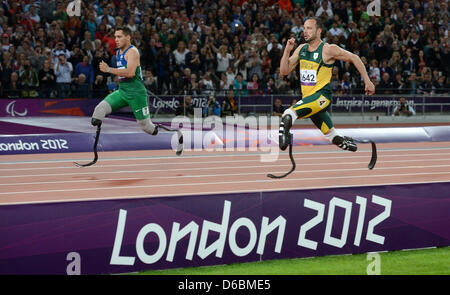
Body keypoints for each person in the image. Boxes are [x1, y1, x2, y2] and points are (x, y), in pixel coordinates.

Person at [278, 17, 375, 152]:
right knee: (332, 136)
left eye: (309, 28)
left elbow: (354, 57)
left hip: (321, 97)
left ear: (319, 31)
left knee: (288, 114)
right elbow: (284, 71)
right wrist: (287, 51)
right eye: (304, 28)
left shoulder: (328, 49)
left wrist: (367, 81)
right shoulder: (301, 49)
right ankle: (349, 145)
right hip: (309, 100)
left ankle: (284, 138)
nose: (305, 32)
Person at [91, 26, 159, 137]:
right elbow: (121, 72)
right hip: (122, 91)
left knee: (147, 127)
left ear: (128, 38)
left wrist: (108, 69)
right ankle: (95, 143)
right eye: (115, 37)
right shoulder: (118, 53)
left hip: (136, 93)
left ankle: (170, 132)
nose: (116, 40)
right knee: (99, 111)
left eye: (119, 37)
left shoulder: (133, 51)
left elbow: (130, 73)